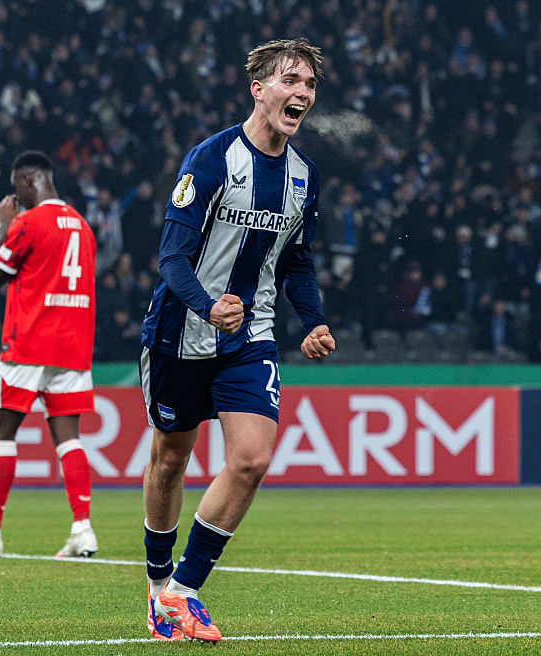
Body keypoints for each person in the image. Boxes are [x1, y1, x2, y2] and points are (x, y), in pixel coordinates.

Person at [139, 38, 334, 643]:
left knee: (251, 458)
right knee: (171, 458)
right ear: (258, 87)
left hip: (251, 334)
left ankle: (184, 589)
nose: (300, 93)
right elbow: (170, 257)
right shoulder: (212, 159)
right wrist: (205, 304)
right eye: (289, 80)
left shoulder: (303, 177)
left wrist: (315, 319)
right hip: (181, 331)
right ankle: (156, 587)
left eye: (308, 85)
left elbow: (296, 260)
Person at [0, 151, 99, 559]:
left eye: (17, 188)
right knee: (68, 439)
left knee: (1, 433)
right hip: (73, 347)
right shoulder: (83, 226)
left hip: (28, 344)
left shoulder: (28, 222)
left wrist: (2, 226)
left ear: (28, 181)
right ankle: (83, 529)